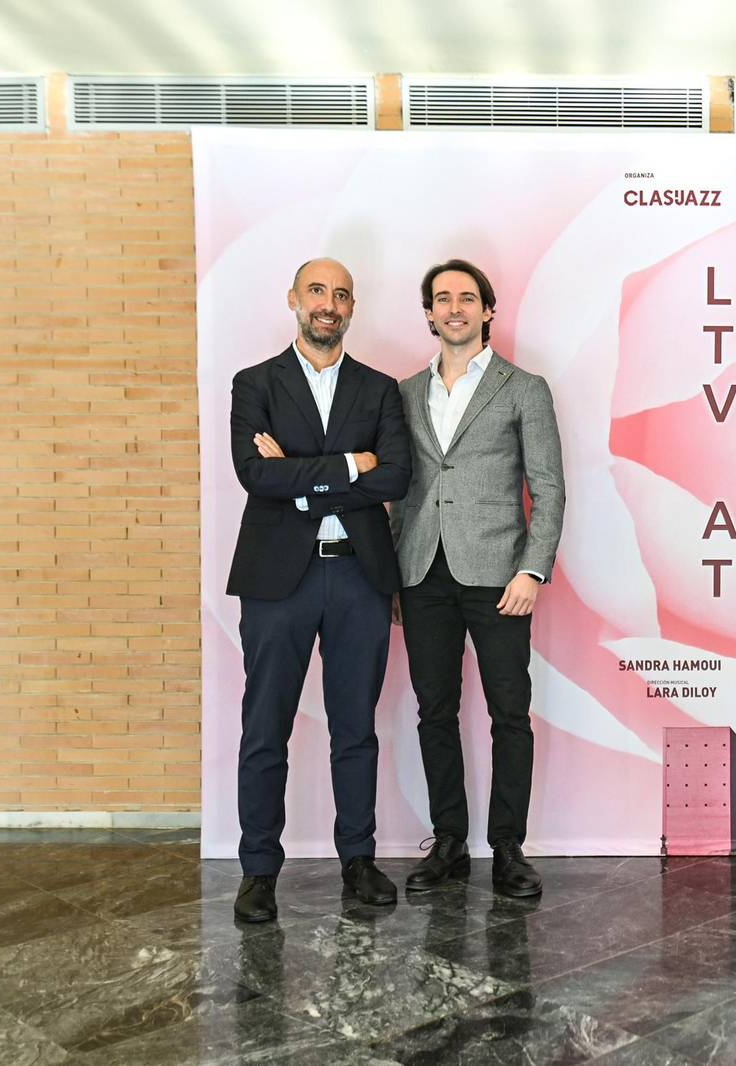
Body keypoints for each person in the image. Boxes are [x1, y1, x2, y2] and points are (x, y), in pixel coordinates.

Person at [226, 258, 411, 922]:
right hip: (278, 581)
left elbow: (393, 478)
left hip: (360, 577)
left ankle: (358, 861)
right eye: (316, 292)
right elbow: (254, 473)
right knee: (264, 727)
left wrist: (301, 472)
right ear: (294, 301)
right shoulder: (255, 383)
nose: (327, 303)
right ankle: (258, 871)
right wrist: (347, 467)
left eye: (340, 294)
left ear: (352, 307)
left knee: (355, 729)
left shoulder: (380, 389)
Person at [392, 258, 566, 897]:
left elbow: (548, 489)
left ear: (488, 310)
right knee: (433, 712)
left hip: (500, 577)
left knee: (509, 713)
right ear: (430, 313)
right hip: (421, 572)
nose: (455, 308)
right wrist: (392, 577)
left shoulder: (525, 388)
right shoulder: (406, 392)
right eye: (443, 298)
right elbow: (398, 490)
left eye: (468, 298)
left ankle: (509, 848)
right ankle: (449, 844)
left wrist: (532, 570)